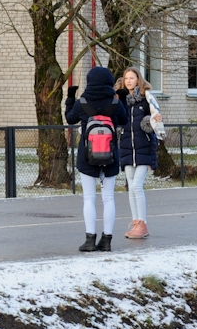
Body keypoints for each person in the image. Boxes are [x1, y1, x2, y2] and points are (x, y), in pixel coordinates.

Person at [65, 66, 129, 252]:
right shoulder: (115, 103)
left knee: (89, 199)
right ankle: (106, 239)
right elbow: (124, 120)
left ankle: (89, 239)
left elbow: (70, 119)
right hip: (110, 155)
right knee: (108, 198)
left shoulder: (83, 102)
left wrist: (70, 98)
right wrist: (122, 97)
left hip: (87, 156)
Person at [115, 67, 162, 240]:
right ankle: (136, 222)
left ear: (138, 79)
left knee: (137, 186)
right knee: (130, 188)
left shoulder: (145, 99)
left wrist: (154, 120)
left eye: (132, 78)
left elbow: (154, 121)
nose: (128, 81)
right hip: (127, 149)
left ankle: (143, 223)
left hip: (144, 148)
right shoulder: (121, 101)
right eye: (126, 78)